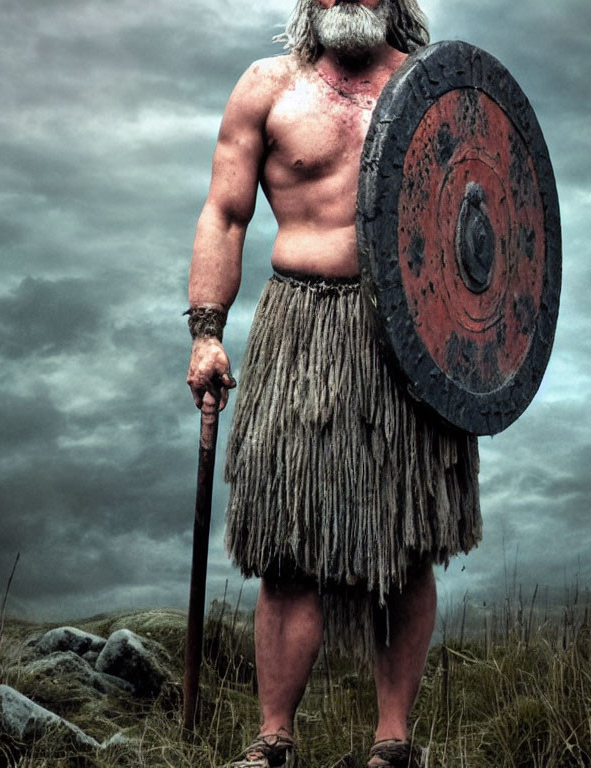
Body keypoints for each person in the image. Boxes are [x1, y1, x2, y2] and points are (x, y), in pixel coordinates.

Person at [185, 2, 481, 766]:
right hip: (299, 329)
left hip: (410, 335)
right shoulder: (267, 87)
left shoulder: (434, 90)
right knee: (287, 541)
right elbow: (224, 214)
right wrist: (208, 333)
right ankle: (274, 741)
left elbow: (490, 220)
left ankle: (392, 745)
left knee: (407, 539)